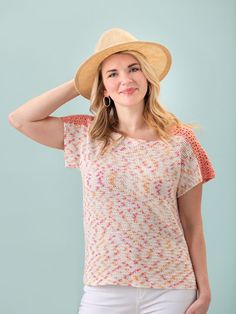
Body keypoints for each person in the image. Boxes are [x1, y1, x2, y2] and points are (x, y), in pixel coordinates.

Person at [8, 28, 216, 314]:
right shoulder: (87, 135)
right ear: (103, 88)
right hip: (104, 287)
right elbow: (20, 119)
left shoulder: (180, 141)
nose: (126, 80)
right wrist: (80, 81)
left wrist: (204, 291)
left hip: (172, 287)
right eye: (112, 74)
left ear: (147, 77)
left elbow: (193, 224)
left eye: (134, 69)